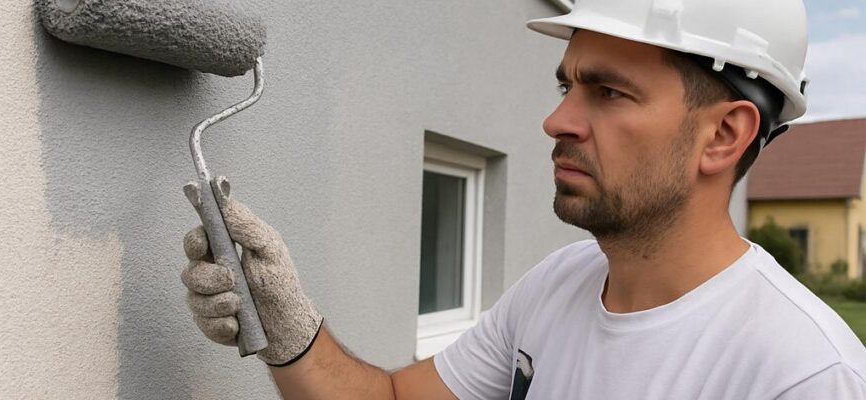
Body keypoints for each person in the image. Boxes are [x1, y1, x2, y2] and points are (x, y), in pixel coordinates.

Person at [180, 1, 866, 399]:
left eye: (608, 92)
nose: (557, 120)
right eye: (567, 86)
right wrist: (289, 327)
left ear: (723, 135)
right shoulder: (556, 288)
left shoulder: (801, 372)